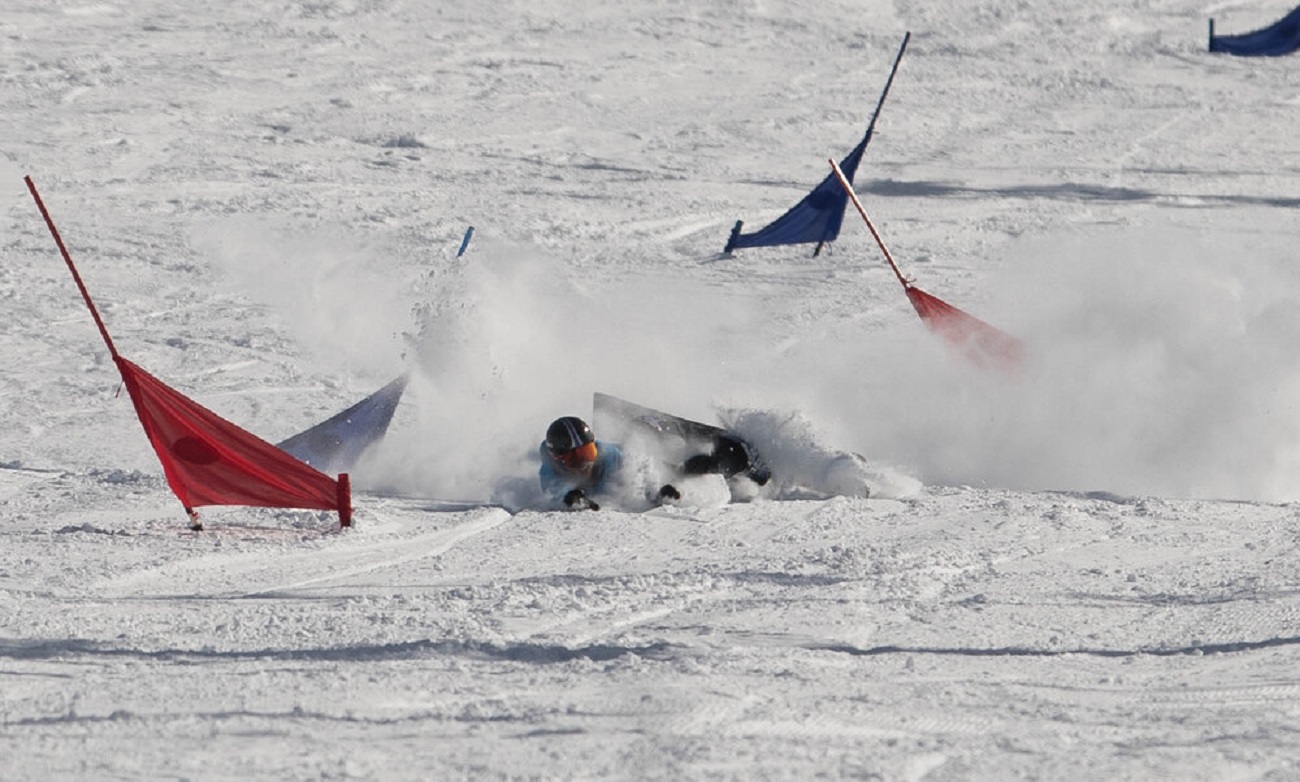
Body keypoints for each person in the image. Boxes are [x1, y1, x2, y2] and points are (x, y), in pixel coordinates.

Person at [538, 416, 626, 510]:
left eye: (588, 452)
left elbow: (634, 466)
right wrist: (568, 495)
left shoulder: (614, 459)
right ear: (560, 461)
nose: (585, 463)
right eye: (575, 459)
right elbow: (552, 486)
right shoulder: (552, 466)